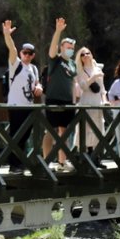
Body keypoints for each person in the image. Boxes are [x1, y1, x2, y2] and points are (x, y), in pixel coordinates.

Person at [2, 20, 42, 174]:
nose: (27, 55)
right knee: (16, 135)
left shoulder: (33, 68)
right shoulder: (15, 64)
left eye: (30, 53)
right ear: (21, 53)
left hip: (29, 106)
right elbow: (11, 48)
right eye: (24, 52)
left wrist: (39, 87)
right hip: (16, 105)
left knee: (25, 137)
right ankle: (14, 165)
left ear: (33, 55)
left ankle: (20, 163)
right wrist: (7, 35)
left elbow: (37, 84)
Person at [42, 18, 77, 172]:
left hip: (68, 101)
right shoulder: (55, 60)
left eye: (72, 48)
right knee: (50, 130)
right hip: (53, 99)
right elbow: (51, 50)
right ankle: (46, 161)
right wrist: (58, 31)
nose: (70, 49)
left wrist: (74, 102)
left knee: (64, 132)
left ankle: (62, 162)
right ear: (62, 47)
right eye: (67, 47)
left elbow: (73, 83)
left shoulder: (73, 64)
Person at [74, 47, 107, 150]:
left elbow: (102, 88)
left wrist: (105, 100)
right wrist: (93, 77)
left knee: (98, 127)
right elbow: (83, 86)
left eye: (87, 53)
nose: (85, 56)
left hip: (97, 101)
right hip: (86, 101)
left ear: (91, 54)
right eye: (82, 55)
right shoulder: (79, 71)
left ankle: (96, 156)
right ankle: (84, 155)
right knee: (85, 128)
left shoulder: (98, 69)